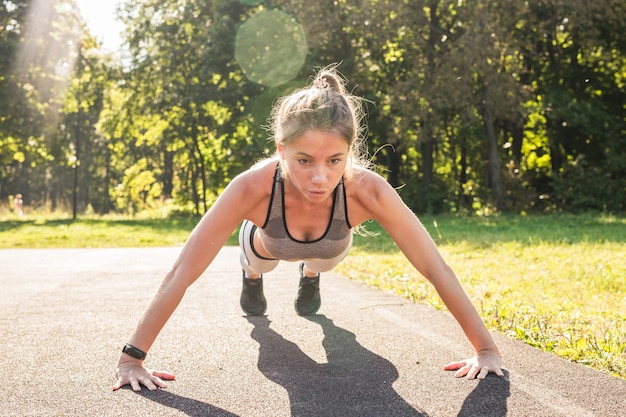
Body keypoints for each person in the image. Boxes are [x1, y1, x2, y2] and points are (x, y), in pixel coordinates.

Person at [113, 66, 503, 392]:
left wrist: (485, 350)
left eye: (335, 160)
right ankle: (251, 276)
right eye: (304, 160)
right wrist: (132, 357)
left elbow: (435, 267)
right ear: (281, 151)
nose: (320, 177)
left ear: (349, 153)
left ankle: (311, 275)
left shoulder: (368, 191)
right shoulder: (251, 186)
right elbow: (182, 271)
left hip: (330, 245)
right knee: (268, 313)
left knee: (328, 268)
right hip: (268, 244)